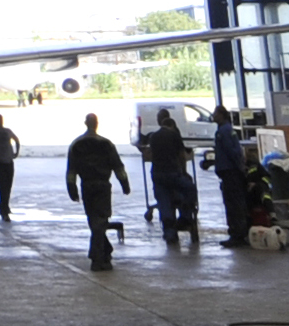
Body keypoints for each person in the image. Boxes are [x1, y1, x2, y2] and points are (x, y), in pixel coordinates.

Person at [64, 113, 130, 269]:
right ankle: (98, 258)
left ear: (85, 123)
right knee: (100, 221)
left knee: (94, 221)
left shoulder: (76, 145)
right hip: (103, 186)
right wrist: (124, 184)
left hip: (87, 186)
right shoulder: (106, 144)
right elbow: (118, 166)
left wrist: (72, 188)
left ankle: (104, 252)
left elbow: (71, 170)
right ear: (96, 124)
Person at [141, 108, 194, 243]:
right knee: (188, 189)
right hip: (173, 173)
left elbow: (148, 152)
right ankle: (185, 217)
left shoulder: (154, 136)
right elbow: (182, 156)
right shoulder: (174, 135)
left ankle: (170, 233)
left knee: (164, 203)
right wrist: (183, 172)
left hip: (158, 175)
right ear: (171, 124)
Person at [210, 109, 253, 250]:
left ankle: (237, 234)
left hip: (230, 173)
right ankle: (237, 233)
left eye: (216, 113)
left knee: (233, 204)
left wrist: (239, 168)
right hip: (231, 172)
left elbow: (232, 152)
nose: (213, 116)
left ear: (222, 115)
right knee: (235, 203)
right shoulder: (227, 130)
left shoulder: (224, 132)